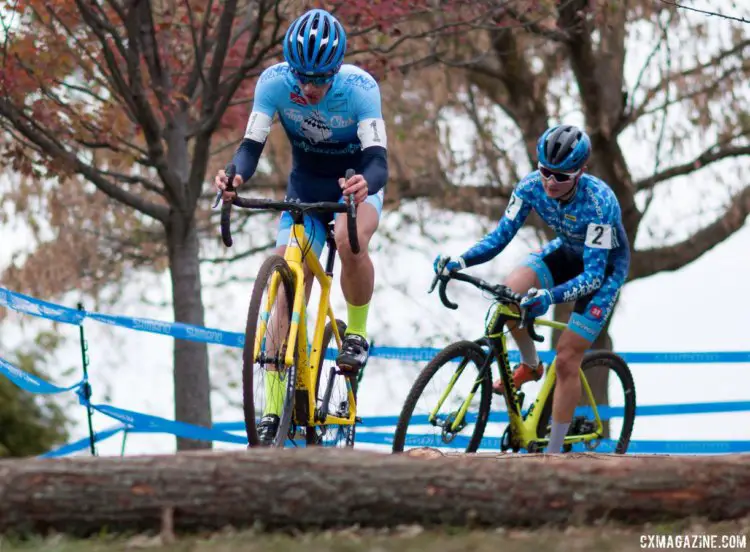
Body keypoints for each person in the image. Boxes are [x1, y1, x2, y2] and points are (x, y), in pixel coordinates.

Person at [214, 8, 388, 444]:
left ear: (336, 70)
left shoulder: (361, 89)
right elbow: (250, 146)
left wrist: (366, 182)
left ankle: (358, 334)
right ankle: (274, 408)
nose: (309, 88)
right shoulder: (274, 83)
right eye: (302, 78)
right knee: (284, 282)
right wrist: (234, 174)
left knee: (350, 240)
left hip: (355, 188)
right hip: (305, 191)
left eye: (319, 79)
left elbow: (378, 160)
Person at [433, 124, 630, 453]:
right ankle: (531, 364)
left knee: (567, 358)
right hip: (566, 251)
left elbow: (593, 276)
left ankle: (552, 454)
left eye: (561, 177)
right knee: (509, 295)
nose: (550, 182)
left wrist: (549, 298)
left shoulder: (600, 203)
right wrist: (460, 261)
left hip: (603, 270)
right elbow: (499, 238)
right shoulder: (530, 186)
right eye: (545, 172)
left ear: (580, 172)